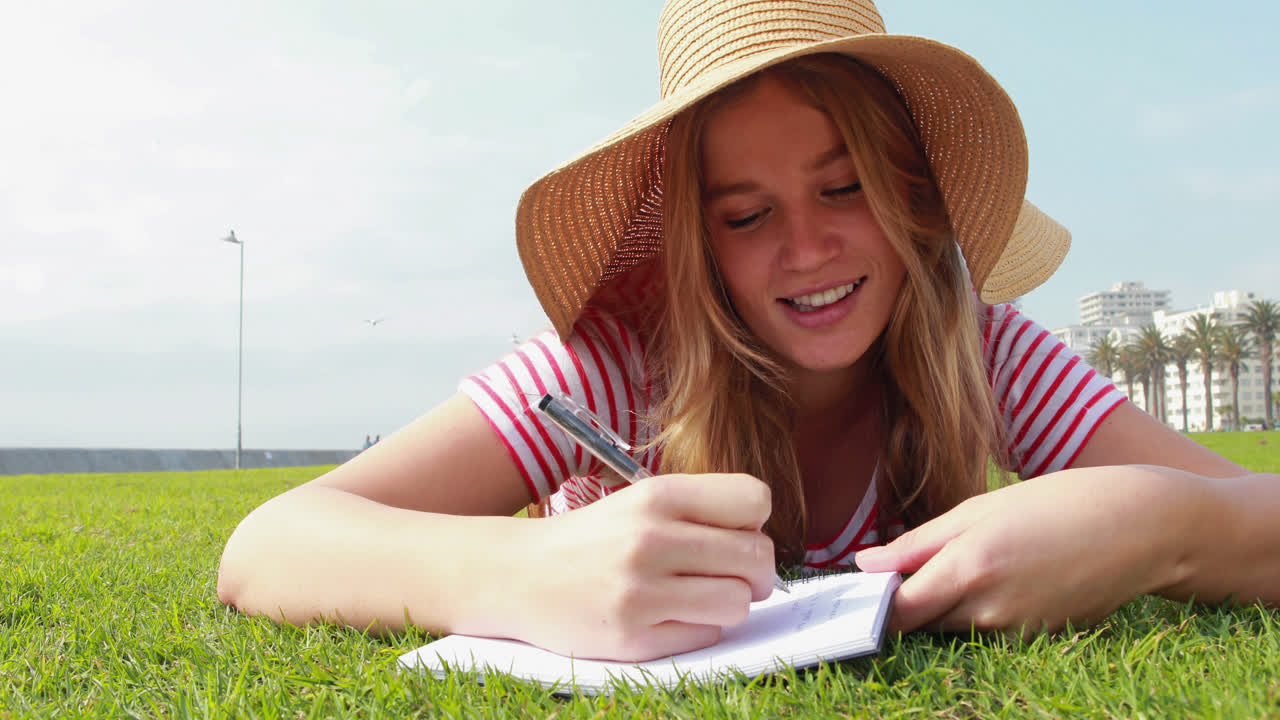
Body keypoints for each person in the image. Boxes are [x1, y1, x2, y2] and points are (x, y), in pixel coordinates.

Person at [217, 0, 1279, 663]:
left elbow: (1252, 516)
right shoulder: (612, 364)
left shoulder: (988, 353)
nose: (807, 247)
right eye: (745, 214)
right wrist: (521, 574)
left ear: (909, 196)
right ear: (695, 242)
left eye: (844, 187)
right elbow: (266, 548)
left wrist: (1156, 525)